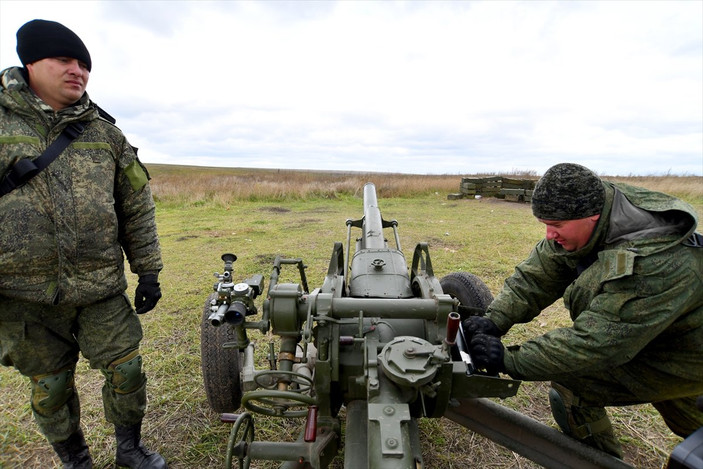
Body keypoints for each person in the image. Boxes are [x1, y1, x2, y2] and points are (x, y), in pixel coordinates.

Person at [0, 19, 167, 468]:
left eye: (84, 65)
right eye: (64, 60)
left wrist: (148, 270)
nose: (77, 71)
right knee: (50, 387)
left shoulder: (106, 134)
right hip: (22, 297)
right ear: (31, 63)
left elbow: (136, 205)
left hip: (99, 287)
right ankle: (75, 459)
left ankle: (130, 450)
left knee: (126, 371)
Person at [464, 162, 703, 458]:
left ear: (592, 217)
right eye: (545, 225)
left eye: (557, 226)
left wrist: (507, 359)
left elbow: (596, 343)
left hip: (682, 352)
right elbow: (540, 272)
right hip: (657, 332)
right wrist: (495, 320)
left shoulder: (654, 264)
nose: (550, 235)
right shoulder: (593, 207)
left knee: (576, 385)